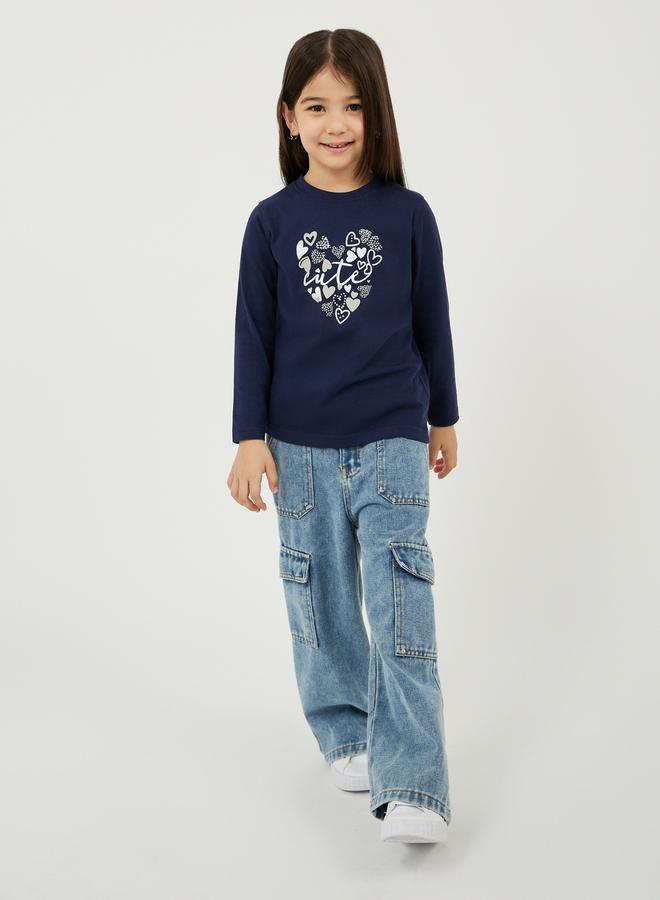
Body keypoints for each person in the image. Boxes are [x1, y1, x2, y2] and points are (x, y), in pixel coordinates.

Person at [227, 28, 459, 844]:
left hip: (393, 437)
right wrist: (248, 437)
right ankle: (347, 732)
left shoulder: (408, 215)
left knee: (400, 602)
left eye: (354, 107)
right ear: (289, 118)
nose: (337, 124)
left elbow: (432, 321)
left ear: (377, 115)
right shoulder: (270, 223)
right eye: (318, 106)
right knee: (319, 600)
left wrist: (444, 417)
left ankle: (417, 784)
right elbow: (253, 335)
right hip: (297, 448)